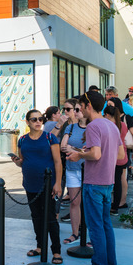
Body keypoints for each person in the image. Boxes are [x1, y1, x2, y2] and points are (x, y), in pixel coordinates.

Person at [67, 91, 125, 265]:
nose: (79, 109)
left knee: (96, 226)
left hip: (94, 183)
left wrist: (80, 154)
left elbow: (96, 155)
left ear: (88, 106)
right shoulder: (112, 125)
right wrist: (89, 151)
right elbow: (119, 156)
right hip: (108, 183)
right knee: (106, 224)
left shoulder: (92, 127)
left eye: (81, 106)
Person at [10, 109, 63, 265]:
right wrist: (17, 161)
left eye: (40, 119)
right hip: (30, 184)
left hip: (47, 184)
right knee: (36, 217)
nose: (38, 122)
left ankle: (56, 250)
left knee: (50, 218)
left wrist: (58, 183)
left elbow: (58, 162)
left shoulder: (49, 137)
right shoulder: (22, 140)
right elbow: (23, 161)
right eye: (34, 119)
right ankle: (40, 246)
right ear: (28, 122)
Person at [60, 99, 86, 244]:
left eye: (78, 109)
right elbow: (63, 147)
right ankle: (75, 233)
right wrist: (78, 150)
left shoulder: (92, 128)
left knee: (88, 203)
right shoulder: (71, 128)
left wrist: (73, 149)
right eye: (74, 110)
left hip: (88, 170)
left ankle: (88, 233)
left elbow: (90, 150)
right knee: (74, 202)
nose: (75, 112)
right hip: (72, 169)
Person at [105, 98, 130, 214]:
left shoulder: (110, 126)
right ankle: (116, 205)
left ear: (108, 115)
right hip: (122, 154)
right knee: (119, 181)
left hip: (112, 156)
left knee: (112, 182)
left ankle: (112, 206)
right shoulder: (123, 125)